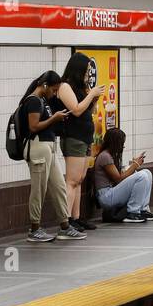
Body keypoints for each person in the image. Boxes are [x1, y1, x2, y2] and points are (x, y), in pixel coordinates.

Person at [19, 71, 84, 242]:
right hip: (38, 147)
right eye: (54, 90)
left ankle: (65, 225)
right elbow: (33, 127)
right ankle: (34, 228)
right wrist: (54, 118)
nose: (55, 94)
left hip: (48, 147)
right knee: (38, 189)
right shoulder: (33, 100)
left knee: (59, 186)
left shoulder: (42, 101)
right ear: (46, 85)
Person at [55, 53, 107, 230]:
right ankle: (66, 221)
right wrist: (91, 93)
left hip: (85, 137)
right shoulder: (65, 86)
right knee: (71, 180)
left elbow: (87, 111)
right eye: (85, 71)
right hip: (73, 137)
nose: (87, 75)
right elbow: (76, 110)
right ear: (77, 69)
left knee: (79, 179)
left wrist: (93, 99)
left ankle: (76, 218)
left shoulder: (80, 87)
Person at [93, 127, 153, 223]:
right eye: (122, 143)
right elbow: (118, 179)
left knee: (147, 173)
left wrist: (132, 165)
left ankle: (143, 209)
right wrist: (135, 165)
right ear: (115, 143)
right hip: (106, 196)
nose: (123, 146)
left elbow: (119, 177)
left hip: (111, 191)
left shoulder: (110, 155)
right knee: (142, 176)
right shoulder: (105, 156)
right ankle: (133, 212)